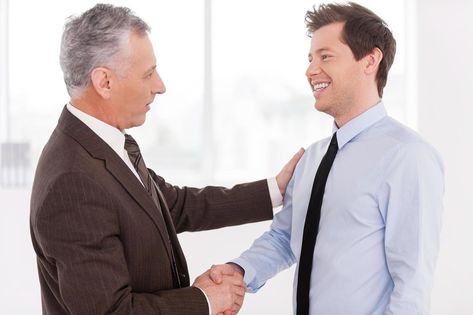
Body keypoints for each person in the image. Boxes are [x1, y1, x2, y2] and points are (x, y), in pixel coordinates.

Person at [29, 4, 304, 315]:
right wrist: (206, 299)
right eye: (148, 74)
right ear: (104, 82)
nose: (160, 86)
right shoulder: (73, 180)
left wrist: (276, 190)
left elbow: (173, 204)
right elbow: (111, 312)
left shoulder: (109, 143)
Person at [210, 2, 444, 314]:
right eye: (310, 59)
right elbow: (284, 237)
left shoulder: (408, 156)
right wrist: (239, 271)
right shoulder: (312, 158)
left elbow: (412, 283)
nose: (310, 70)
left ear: (370, 61)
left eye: (325, 56)